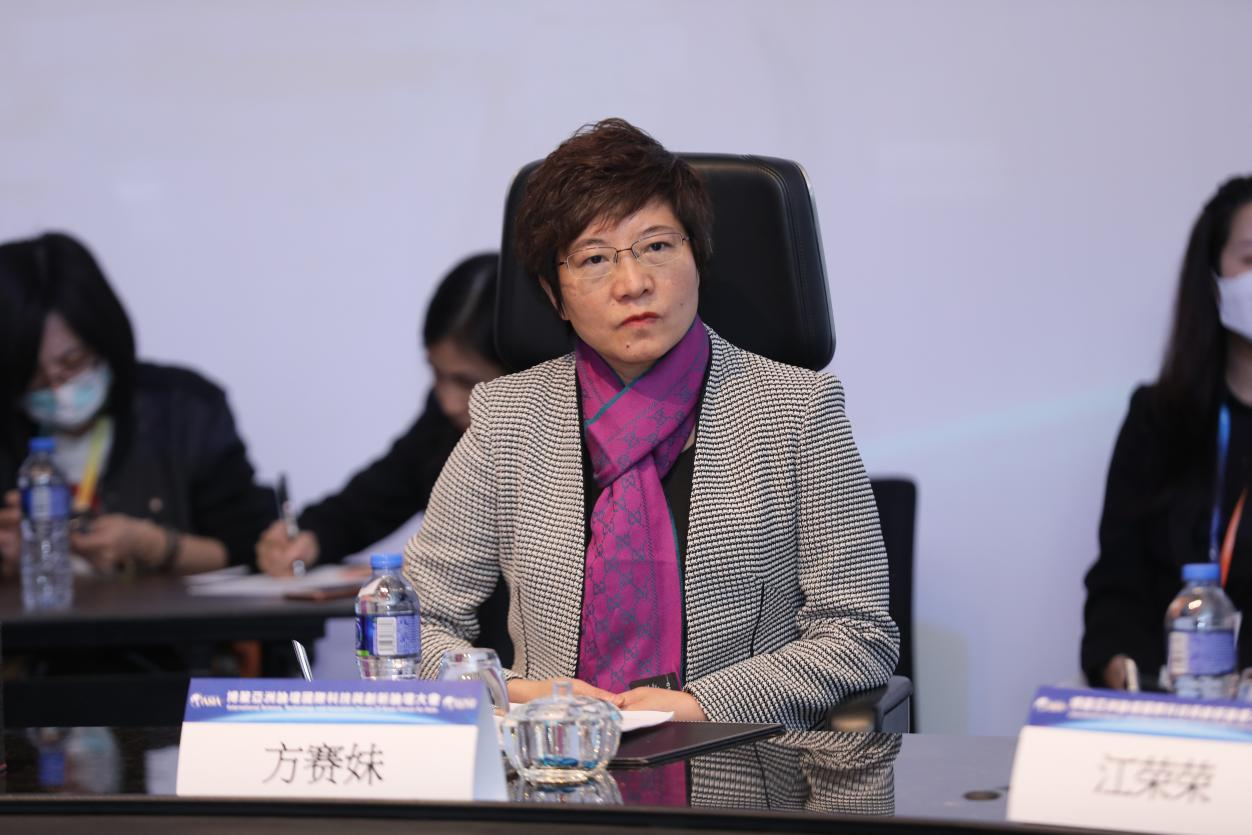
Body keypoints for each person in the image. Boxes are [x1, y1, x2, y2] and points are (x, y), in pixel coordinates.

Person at [404, 118, 898, 729]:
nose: (633, 283)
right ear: (554, 295)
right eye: (594, 258)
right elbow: (412, 623)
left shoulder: (797, 411)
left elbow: (858, 634)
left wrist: (701, 707)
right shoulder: (509, 419)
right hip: (552, 763)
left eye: (658, 247)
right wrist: (518, 693)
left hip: (737, 764)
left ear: (698, 258)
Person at [0, 232, 273, 576]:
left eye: (72, 361)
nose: (57, 387)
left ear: (104, 335)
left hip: (168, 612)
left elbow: (256, 547)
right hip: (37, 611)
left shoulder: (185, 408)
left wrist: (156, 546)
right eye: (33, 375)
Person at [1083, 175, 1252, 689]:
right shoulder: (1157, 419)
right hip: (1173, 704)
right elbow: (1116, 585)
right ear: (1213, 279)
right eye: (1250, 259)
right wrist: (1123, 667)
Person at [254, 253, 505, 575]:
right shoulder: (441, 423)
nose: (448, 402)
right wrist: (308, 540)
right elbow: (368, 503)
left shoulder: (561, 434)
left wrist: (431, 569)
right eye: (436, 374)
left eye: (467, 382)